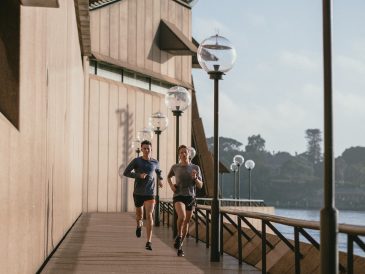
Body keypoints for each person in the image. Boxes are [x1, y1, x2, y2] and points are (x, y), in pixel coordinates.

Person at [123, 140, 163, 251]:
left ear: (151, 149)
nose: (146, 150)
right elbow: (126, 172)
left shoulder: (155, 162)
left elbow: (158, 171)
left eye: (148, 148)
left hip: (150, 193)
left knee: (149, 215)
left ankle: (149, 241)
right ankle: (139, 225)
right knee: (139, 215)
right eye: (144, 148)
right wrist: (139, 175)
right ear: (141, 149)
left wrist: (160, 180)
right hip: (138, 193)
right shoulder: (137, 161)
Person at [167, 145, 203, 257]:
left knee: (186, 222)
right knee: (181, 217)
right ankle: (178, 235)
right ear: (179, 154)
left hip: (190, 198)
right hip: (178, 196)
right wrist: (172, 186)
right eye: (181, 152)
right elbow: (168, 177)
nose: (183, 154)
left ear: (189, 154)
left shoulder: (195, 168)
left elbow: (200, 186)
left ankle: (180, 246)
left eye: (185, 152)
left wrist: (195, 178)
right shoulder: (175, 167)